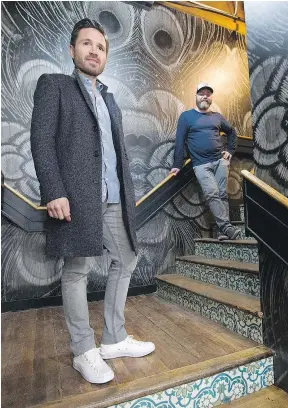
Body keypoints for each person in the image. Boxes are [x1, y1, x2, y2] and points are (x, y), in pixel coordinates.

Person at [30, 18, 155, 385]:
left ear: (105, 55)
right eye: (86, 44)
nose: (93, 51)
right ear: (72, 50)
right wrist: (54, 190)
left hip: (114, 197)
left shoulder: (110, 99)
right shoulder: (55, 86)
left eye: (100, 47)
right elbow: (42, 141)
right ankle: (84, 350)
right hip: (77, 198)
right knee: (78, 269)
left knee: (127, 257)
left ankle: (114, 338)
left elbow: (114, 152)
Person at [170, 83, 241, 240]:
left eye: (208, 94)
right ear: (196, 96)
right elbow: (180, 142)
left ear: (211, 98)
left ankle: (223, 232)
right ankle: (228, 228)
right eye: (201, 93)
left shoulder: (217, 117)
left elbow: (231, 132)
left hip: (220, 162)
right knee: (212, 194)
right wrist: (177, 164)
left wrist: (230, 151)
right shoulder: (186, 117)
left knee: (222, 195)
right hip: (201, 164)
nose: (205, 96)